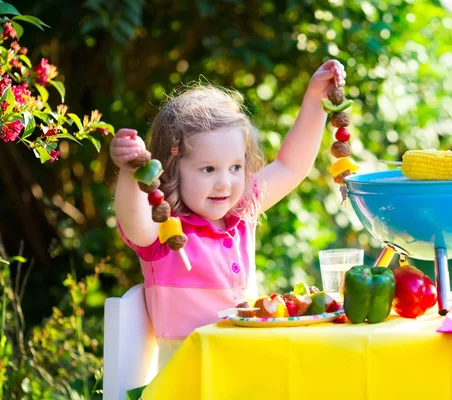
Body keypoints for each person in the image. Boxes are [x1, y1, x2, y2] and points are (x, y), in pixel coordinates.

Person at [110, 60, 346, 368]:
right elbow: (133, 219)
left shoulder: (241, 211)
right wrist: (131, 170)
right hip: (191, 382)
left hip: (248, 371)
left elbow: (291, 166)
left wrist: (316, 98)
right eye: (208, 169)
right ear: (171, 171)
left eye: (235, 167)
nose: (224, 182)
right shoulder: (163, 231)